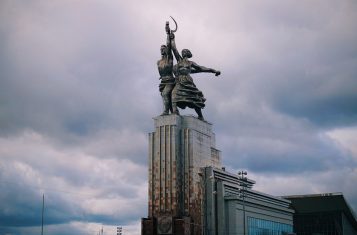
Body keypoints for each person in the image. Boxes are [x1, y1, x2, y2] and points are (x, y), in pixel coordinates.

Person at [169, 33, 220, 120]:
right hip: (179, 81)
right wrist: (172, 39)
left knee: (194, 99)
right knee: (173, 94)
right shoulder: (179, 60)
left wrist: (213, 70)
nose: (183, 52)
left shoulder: (190, 63)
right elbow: (174, 49)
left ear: (188, 54)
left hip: (188, 81)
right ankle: (175, 111)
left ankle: (200, 116)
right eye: (182, 51)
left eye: (185, 51)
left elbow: (201, 68)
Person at [157, 22, 176, 115]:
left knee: (165, 94)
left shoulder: (169, 59)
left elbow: (169, 46)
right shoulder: (159, 62)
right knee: (166, 96)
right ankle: (174, 112)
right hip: (163, 82)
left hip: (170, 81)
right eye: (161, 49)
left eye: (163, 48)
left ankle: (165, 111)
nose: (162, 50)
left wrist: (168, 33)